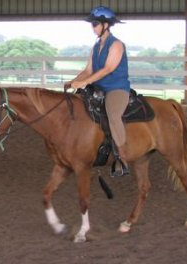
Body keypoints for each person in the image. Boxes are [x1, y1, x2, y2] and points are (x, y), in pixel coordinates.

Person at [64, 6, 130, 176]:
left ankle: (122, 159)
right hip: (98, 87)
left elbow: (108, 69)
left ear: (106, 25)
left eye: (95, 24)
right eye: (92, 24)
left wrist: (85, 82)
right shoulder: (96, 46)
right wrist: (74, 81)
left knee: (113, 116)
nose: (92, 27)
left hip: (116, 88)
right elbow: (88, 69)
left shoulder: (116, 45)